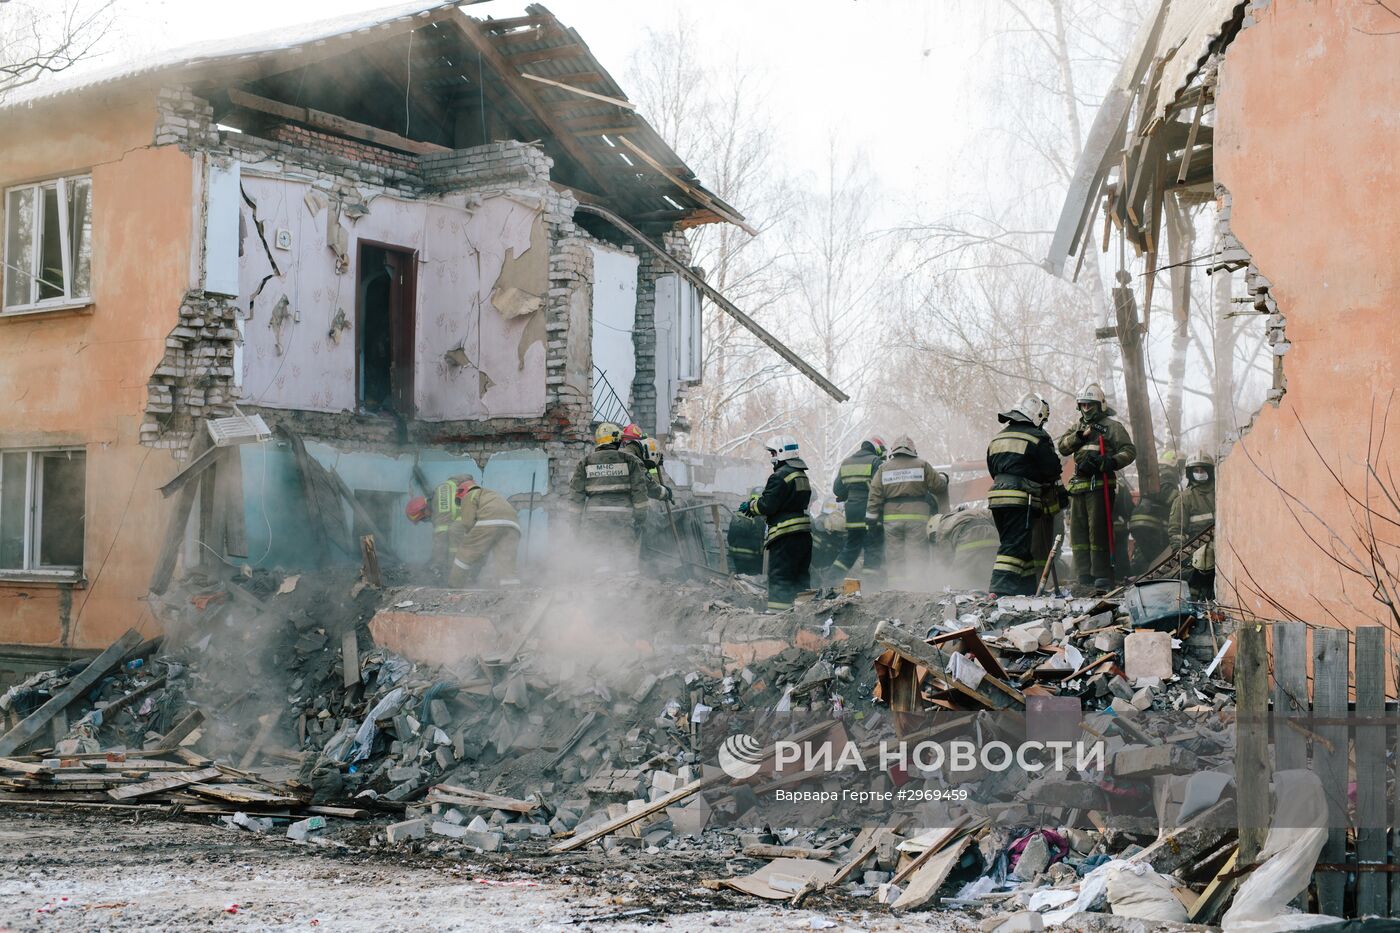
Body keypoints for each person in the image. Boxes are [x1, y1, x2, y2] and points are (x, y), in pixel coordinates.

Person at [1056, 383, 1137, 591]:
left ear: (1099, 405)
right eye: (1082, 405)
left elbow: (1129, 451)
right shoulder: (1077, 427)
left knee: (1098, 531)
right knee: (1079, 534)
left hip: (1100, 485)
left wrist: (1109, 462)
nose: (1085, 409)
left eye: (1089, 405)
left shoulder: (1112, 427)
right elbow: (1063, 447)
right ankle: (1084, 574)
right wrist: (1079, 437)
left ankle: (1101, 573)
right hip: (1078, 487)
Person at [986, 394, 1062, 596]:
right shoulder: (1038, 437)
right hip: (1021, 499)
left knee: (1019, 544)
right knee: (1013, 546)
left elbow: (992, 469)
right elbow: (1052, 469)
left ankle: (1027, 588)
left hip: (996, 498)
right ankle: (999, 589)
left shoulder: (998, 437)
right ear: (1037, 416)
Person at [740, 435, 813, 611]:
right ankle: (802, 613)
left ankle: (776, 616)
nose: (772, 457)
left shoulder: (779, 476)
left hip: (784, 536)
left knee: (780, 577)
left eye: (773, 453)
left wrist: (751, 506)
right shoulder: (801, 475)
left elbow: (767, 505)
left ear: (782, 453)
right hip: (803, 536)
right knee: (800, 577)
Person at [568, 422, 652, 571]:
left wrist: (575, 527)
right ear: (618, 440)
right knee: (625, 563)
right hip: (623, 518)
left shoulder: (585, 462)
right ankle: (627, 592)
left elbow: (576, 499)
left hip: (595, 520)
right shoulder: (630, 460)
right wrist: (639, 521)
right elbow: (640, 493)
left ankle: (603, 592)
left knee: (599, 562)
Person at [406, 478, 521, 586]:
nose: (426, 520)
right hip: (513, 524)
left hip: (488, 521)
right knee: (506, 562)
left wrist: (441, 564)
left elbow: (455, 530)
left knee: (463, 554)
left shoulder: (466, 497)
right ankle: (510, 593)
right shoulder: (488, 493)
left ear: (424, 509)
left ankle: (454, 586)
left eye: (423, 518)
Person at [866, 436, 947, 589]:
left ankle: (897, 589)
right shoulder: (922, 465)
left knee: (894, 556)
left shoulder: (884, 468)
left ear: (893, 450)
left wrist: (871, 517)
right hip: (917, 518)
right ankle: (916, 588)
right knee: (916, 554)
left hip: (891, 519)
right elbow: (938, 487)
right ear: (912, 449)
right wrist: (944, 480)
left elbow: (874, 494)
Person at [830, 436, 886, 582]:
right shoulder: (876, 462)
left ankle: (831, 579)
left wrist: (850, 493)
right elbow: (880, 488)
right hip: (870, 514)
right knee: (872, 549)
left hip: (852, 514)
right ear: (878, 448)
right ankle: (870, 585)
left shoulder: (846, 462)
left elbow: (837, 489)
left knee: (851, 549)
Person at [1170, 451, 1216, 599]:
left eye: (1202, 470)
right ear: (1190, 473)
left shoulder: (1221, 491)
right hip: (1197, 553)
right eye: (1196, 471)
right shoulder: (1185, 498)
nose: (1199, 473)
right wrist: (1182, 554)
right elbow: (1176, 530)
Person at [1128, 454, 1180, 574]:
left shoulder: (1154, 475)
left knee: (1143, 552)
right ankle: (1148, 575)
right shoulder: (1168, 475)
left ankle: (1136, 574)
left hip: (1138, 521)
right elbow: (1168, 496)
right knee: (1157, 555)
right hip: (1151, 522)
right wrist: (1184, 500)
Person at [929, 505, 1000, 591]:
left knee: (961, 578)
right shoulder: (965, 514)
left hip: (969, 537)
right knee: (987, 574)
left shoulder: (942, 527)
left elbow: (946, 558)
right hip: (993, 537)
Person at [726, 486, 766, 575]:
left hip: (735, 556)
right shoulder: (759, 517)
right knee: (750, 584)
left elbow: (730, 536)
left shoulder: (741, 511)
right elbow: (761, 539)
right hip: (751, 559)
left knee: (737, 581)